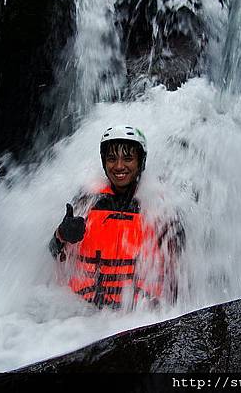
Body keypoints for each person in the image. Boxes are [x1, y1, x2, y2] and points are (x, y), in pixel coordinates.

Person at [49, 125, 184, 309]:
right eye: (112, 159)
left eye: (128, 158)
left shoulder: (160, 207)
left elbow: (179, 272)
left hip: (142, 317)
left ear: (140, 162)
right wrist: (62, 235)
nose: (119, 166)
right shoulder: (87, 200)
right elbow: (53, 252)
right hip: (83, 313)